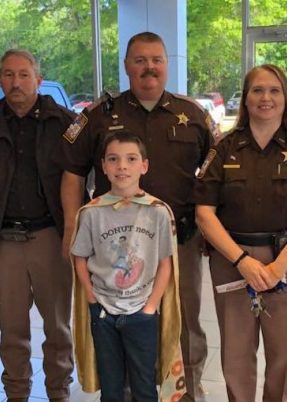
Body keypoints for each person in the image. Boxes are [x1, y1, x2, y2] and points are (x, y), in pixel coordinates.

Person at [59, 32, 216, 401]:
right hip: (113, 243)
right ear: (127, 66)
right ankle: (125, 392)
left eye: (157, 60)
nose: (149, 67)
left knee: (184, 319)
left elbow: (213, 175)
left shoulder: (193, 114)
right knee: (117, 317)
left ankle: (187, 391)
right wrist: (71, 226)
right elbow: (72, 173)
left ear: (167, 65)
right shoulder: (98, 115)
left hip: (178, 241)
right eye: (140, 60)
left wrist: (212, 229)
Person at [194, 64, 287, 401]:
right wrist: (242, 261)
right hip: (232, 259)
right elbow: (204, 214)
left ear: (285, 97)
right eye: (257, 90)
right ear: (245, 98)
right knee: (236, 354)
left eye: (274, 90)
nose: (265, 98)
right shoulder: (224, 148)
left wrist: (277, 268)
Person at [0, 48, 74, 402]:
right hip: (5, 240)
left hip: (50, 237)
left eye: (24, 74)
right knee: (12, 327)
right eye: (8, 75)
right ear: (0, 80)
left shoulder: (65, 123)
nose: (16, 82)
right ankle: (16, 391)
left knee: (57, 325)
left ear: (38, 80)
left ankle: (58, 390)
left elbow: (80, 177)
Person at [70, 131, 183, 402]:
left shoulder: (158, 211)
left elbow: (166, 264)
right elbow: (80, 258)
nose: (122, 166)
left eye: (131, 159)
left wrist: (151, 307)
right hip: (103, 312)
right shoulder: (91, 213)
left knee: (144, 384)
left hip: (141, 312)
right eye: (114, 159)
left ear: (144, 166)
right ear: (104, 167)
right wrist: (91, 297)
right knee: (111, 386)